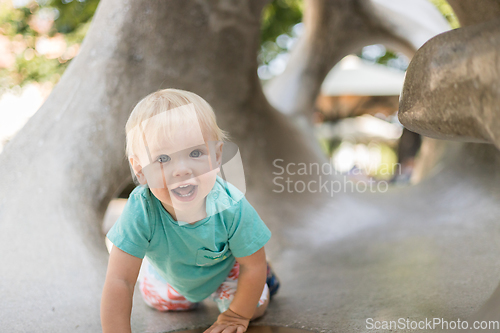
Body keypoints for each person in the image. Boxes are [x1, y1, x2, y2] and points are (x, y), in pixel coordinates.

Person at [100, 88, 280, 333]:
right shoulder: (141, 209)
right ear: (140, 170)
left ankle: (265, 274)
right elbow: (120, 280)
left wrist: (235, 315)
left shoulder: (230, 205)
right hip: (173, 275)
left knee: (255, 305)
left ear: (216, 157)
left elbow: (252, 266)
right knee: (160, 301)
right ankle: (164, 275)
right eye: (162, 159)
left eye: (196, 153)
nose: (182, 170)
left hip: (227, 269)